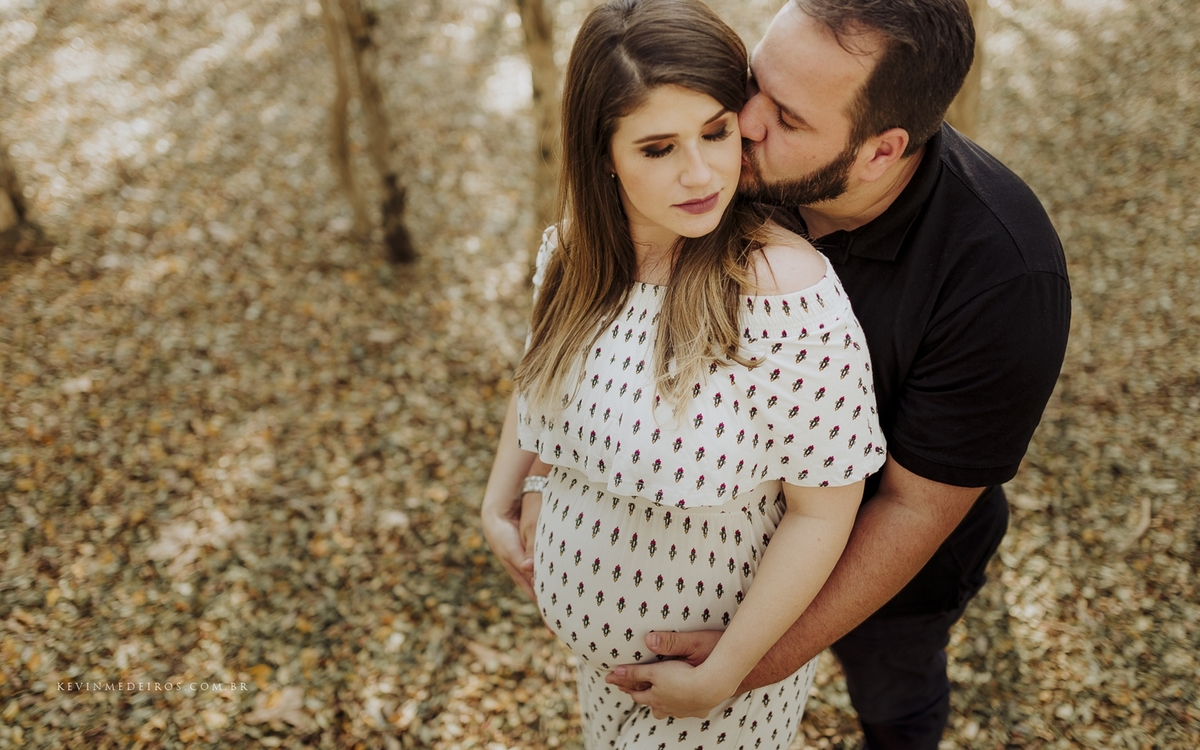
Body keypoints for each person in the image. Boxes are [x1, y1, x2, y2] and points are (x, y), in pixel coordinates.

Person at [604, 1, 1072, 748]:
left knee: (896, 694)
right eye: (757, 80)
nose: (743, 122)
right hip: (726, 548)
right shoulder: (729, 168)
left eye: (787, 119)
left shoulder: (1006, 275)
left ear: (881, 152)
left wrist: (750, 661)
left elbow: (915, 509)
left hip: (890, 573)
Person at [481, 0, 889, 746]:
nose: (700, 173)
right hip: (595, 674)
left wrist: (725, 673)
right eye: (658, 148)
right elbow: (540, 376)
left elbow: (823, 512)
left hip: (718, 694)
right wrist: (502, 497)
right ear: (603, 152)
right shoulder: (576, 252)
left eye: (716, 131)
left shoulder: (782, 290)